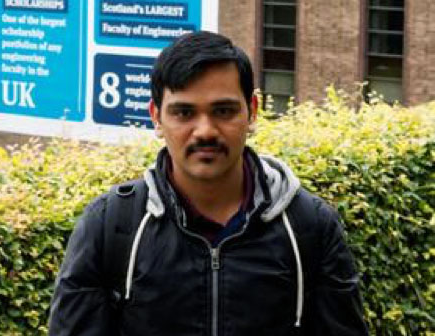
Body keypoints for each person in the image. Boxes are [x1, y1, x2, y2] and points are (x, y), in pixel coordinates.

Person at [49, 31, 369, 335]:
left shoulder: (309, 226)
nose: (204, 131)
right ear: (156, 117)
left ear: (252, 111)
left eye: (224, 111)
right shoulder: (110, 227)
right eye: (184, 113)